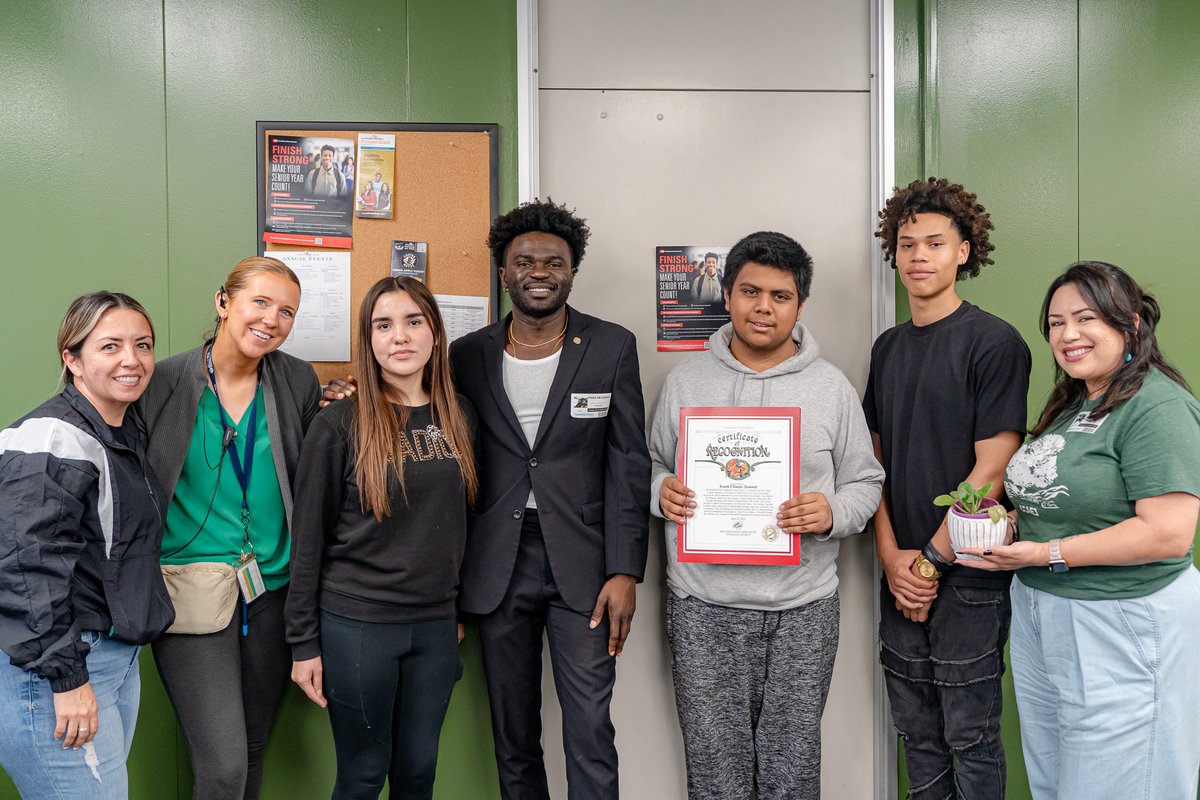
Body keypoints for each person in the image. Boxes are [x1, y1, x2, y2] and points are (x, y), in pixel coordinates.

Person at [650, 231, 884, 799]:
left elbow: (866, 482)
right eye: (750, 291)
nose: (763, 307)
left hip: (802, 607)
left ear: (799, 306)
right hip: (702, 604)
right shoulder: (685, 383)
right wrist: (660, 491)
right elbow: (652, 464)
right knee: (716, 775)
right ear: (727, 295)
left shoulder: (832, 388)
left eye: (781, 296)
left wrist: (831, 510)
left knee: (792, 772)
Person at [962, 261, 1200, 799]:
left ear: (1130, 324)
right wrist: (1011, 524)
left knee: (1121, 784)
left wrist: (1043, 552)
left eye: (1086, 318)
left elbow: (1168, 533)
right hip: (1045, 613)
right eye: (1055, 323)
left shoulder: (1157, 406)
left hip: (1121, 619)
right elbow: (1069, 499)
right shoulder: (1074, 402)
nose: (1068, 334)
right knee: (1059, 782)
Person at [451, 199, 650, 798]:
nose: (539, 272)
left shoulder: (611, 346)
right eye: (524, 262)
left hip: (584, 563)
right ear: (504, 273)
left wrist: (625, 570)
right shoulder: (467, 354)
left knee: (589, 728)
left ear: (572, 272)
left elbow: (628, 461)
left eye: (554, 262)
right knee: (513, 733)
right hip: (497, 563)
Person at [864, 177, 1030, 799]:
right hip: (902, 572)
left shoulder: (994, 342)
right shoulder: (887, 348)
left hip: (969, 575)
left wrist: (930, 562)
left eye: (935, 243)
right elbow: (872, 464)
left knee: (970, 736)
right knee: (917, 734)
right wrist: (892, 558)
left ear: (963, 251)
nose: (919, 256)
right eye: (907, 244)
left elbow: (992, 469)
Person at [287, 277, 477, 799]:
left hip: (435, 626)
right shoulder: (338, 425)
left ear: (435, 332)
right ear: (368, 339)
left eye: (414, 321)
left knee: (418, 773)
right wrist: (303, 644)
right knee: (363, 776)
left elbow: (465, 522)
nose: (400, 336)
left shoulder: (460, 417)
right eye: (384, 325)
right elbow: (308, 540)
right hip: (358, 625)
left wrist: (456, 609)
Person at [138, 257, 321, 799]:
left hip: (273, 592)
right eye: (259, 302)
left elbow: (317, 472)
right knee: (223, 765)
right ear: (223, 302)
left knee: (253, 748)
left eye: (286, 311)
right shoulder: (163, 381)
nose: (272, 320)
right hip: (190, 592)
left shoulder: (297, 379)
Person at [0, 292, 174, 799]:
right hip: (57, 669)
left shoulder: (120, 430)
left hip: (111, 659)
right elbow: (24, 570)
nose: (131, 360)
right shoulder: (51, 439)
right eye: (110, 346)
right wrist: (67, 678)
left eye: (143, 345)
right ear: (72, 359)